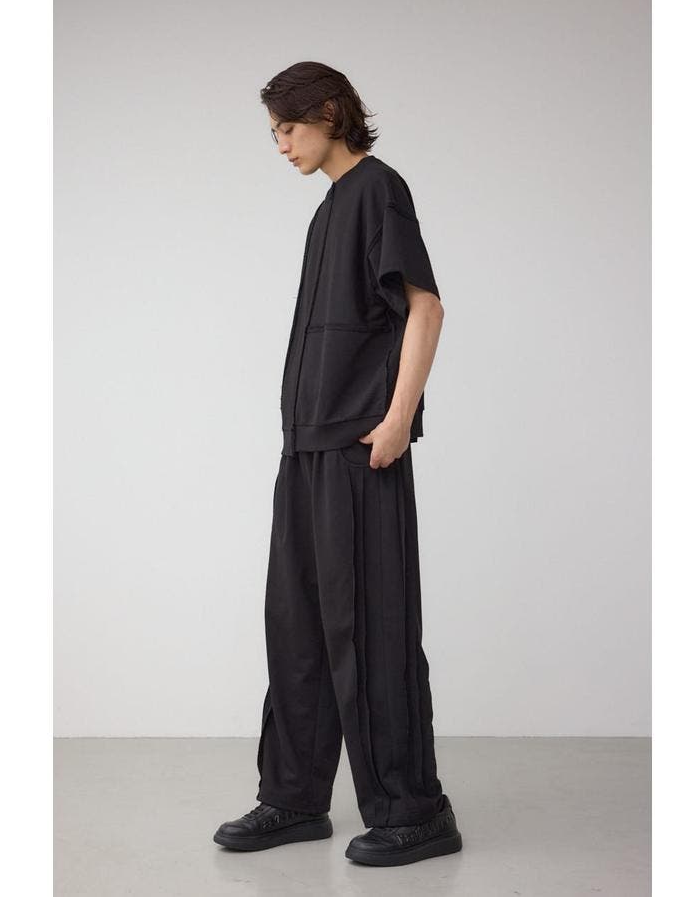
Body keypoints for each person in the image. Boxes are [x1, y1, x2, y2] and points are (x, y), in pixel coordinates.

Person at [213, 61, 462, 867]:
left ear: (327, 112)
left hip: (360, 447)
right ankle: (292, 799)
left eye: (287, 128)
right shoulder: (329, 209)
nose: (281, 145)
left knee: (372, 630)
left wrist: (397, 420)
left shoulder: (378, 190)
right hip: (306, 450)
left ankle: (414, 811)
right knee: (298, 630)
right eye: (274, 134)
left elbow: (424, 305)